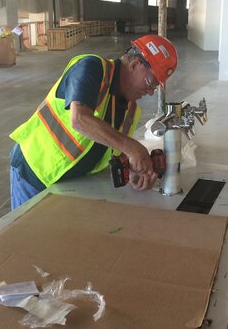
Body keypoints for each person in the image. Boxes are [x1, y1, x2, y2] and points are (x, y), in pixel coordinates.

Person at [9, 34, 178, 209]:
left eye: (155, 87)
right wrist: (132, 147)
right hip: (33, 172)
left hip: (68, 184)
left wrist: (130, 174)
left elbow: (111, 151)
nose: (150, 92)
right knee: (28, 226)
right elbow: (79, 119)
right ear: (134, 65)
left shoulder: (131, 111)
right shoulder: (91, 68)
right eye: (150, 82)